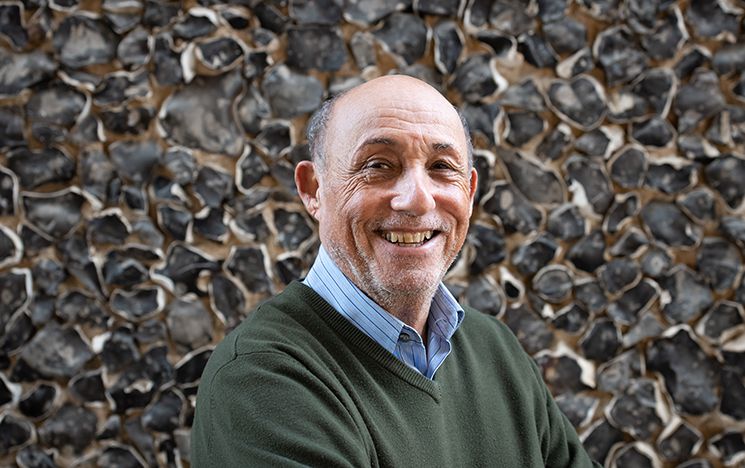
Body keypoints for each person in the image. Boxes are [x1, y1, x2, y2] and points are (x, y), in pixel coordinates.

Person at [191, 75, 600, 467]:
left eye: (441, 167)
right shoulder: (262, 379)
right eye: (378, 165)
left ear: (470, 193)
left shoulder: (497, 351)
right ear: (314, 189)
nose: (418, 200)